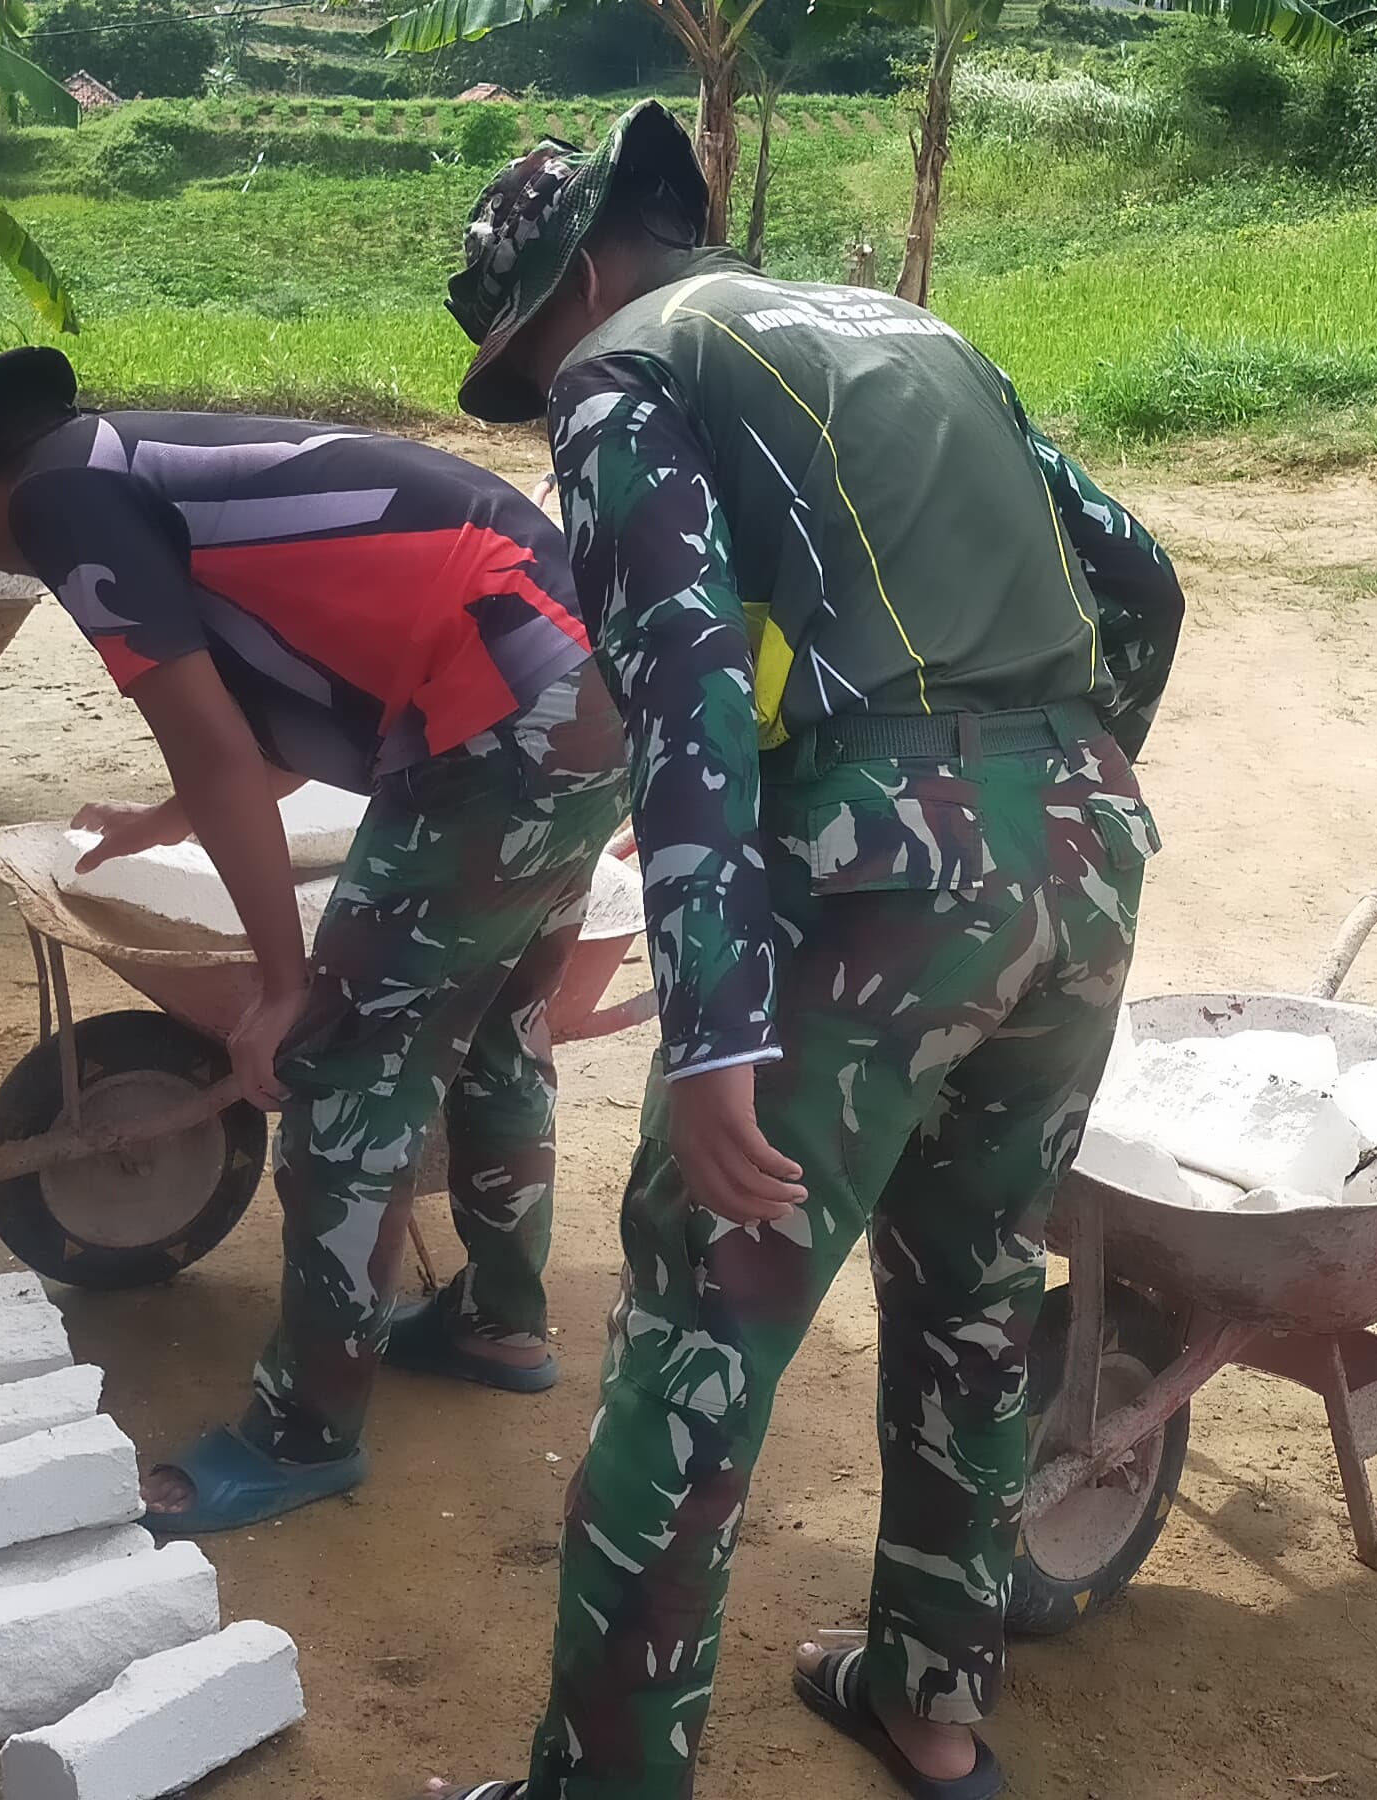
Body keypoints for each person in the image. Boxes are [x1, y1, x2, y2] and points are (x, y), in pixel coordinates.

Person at [426, 103, 1185, 1800]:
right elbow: (1137, 579)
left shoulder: (626, 372)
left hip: (869, 882)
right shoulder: (909, 333)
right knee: (980, 1292)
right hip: (1080, 851)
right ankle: (931, 1709)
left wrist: (713, 1032)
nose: (541, 386)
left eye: (525, 345)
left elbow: (683, 684)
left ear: (579, 276)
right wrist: (1061, 791)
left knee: (702, 1340)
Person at [0, 335, 629, 1533]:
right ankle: (497, 1321)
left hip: (495, 724)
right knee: (499, 1033)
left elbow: (212, 746)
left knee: (341, 1075)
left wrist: (282, 984)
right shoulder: (134, 460)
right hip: (582, 694)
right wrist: (168, 817)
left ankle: (304, 1431)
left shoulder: (68, 506)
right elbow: (275, 701)